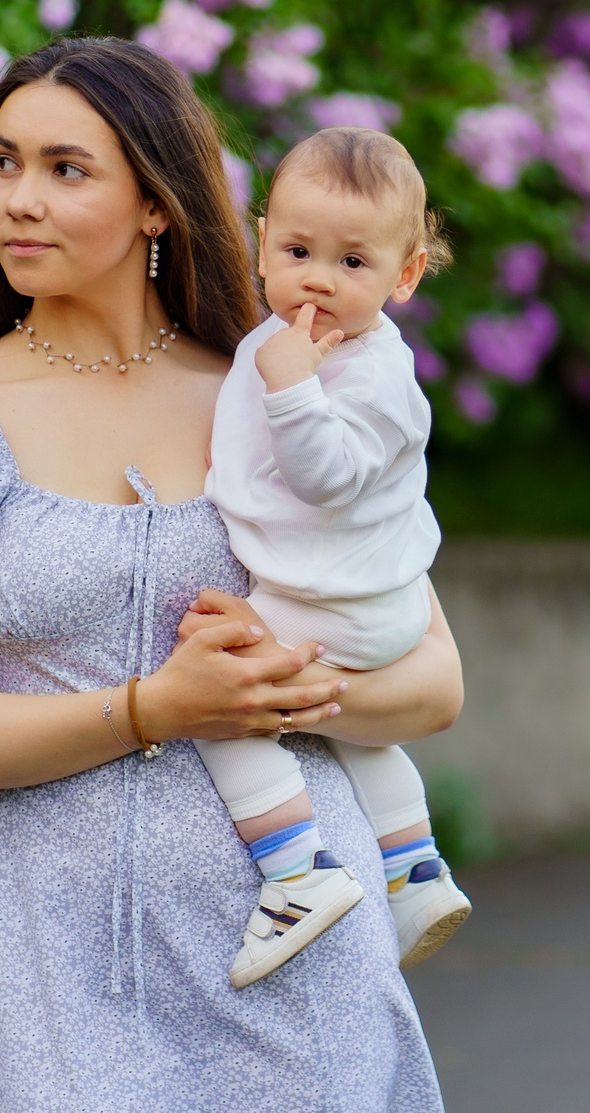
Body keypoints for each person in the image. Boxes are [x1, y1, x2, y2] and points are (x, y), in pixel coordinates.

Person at [0, 37, 457, 1112]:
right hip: (64, 979)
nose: (17, 200)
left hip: (301, 978)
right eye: (3, 162)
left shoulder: (277, 389)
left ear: (156, 205)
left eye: (65, 169)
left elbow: (433, 683)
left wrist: (275, 693)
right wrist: (152, 709)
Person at [198, 127, 473, 990]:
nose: (317, 277)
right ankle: (416, 871)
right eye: (297, 249)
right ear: (261, 241)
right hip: (351, 597)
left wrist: (291, 382)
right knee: (356, 738)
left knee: (219, 698)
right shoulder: (288, 342)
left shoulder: (376, 376)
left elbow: (327, 478)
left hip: (348, 603)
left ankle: (296, 869)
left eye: (353, 262)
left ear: (405, 275)